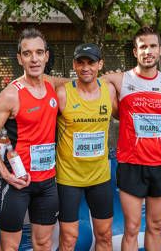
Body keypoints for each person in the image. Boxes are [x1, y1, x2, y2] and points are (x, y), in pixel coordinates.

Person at [102, 25, 161, 250]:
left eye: (152, 46)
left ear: (160, 50)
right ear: (135, 52)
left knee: (156, 225)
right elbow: (91, 83)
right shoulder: (119, 80)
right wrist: (118, 110)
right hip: (131, 164)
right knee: (132, 227)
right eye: (143, 47)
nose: (148, 51)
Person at [0, 28, 67, 251]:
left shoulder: (53, 86)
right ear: (20, 58)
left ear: (46, 56)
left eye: (39, 52)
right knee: (9, 247)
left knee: (43, 243)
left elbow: (82, 81)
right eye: (27, 53)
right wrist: (5, 174)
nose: (34, 58)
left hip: (48, 182)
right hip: (18, 183)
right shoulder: (11, 94)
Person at [55, 43, 118, 251]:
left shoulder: (109, 91)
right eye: (80, 62)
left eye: (91, 62)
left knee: (105, 236)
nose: (85, 67)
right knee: (68, 239)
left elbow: (123, 114)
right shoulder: (63, 94)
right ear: (74, 64)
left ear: (100, 64)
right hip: (68, 177)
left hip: (100, 176)